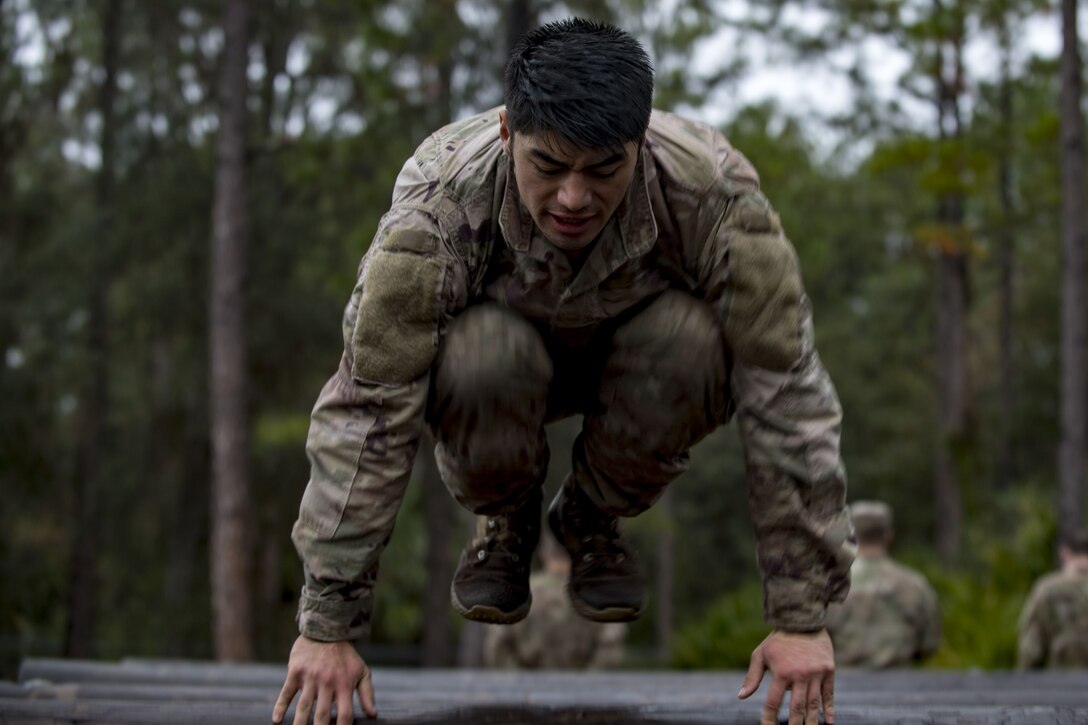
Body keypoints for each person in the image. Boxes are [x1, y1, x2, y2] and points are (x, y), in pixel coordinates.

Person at [272, 18, 855, 725]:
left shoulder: (713, 196)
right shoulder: (439, 207)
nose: (574, 198)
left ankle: (589, 515)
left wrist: (802, 615)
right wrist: (328, 623)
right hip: (494, 381)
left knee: (698, 341)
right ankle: (508, 518)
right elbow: (368, 408)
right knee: (486, 352)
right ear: (507, 133)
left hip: (642, 370)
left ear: (641, 144)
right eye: (549, 167)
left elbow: (787, 392)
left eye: (604, 170)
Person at [483, 529, 626, 670]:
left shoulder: (515, 593)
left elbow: (497, 648)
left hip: (528, 690)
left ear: (543, 553)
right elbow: (610, 653)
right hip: (580, 690)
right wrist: (586, 688)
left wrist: (519, 685)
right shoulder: (598, 595)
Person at [825, 501, 941, 668]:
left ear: (851, 534)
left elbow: (818, 638)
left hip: (844, 685)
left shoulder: (834, 584)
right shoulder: (915, 584)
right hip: (901, 685)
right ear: (888, 535)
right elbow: (929, 644)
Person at [1017, 530, 1088, 669]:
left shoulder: (1047, 590)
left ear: (1064, 553)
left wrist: (1024, 683)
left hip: (1059, 685)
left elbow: (1031, 649)